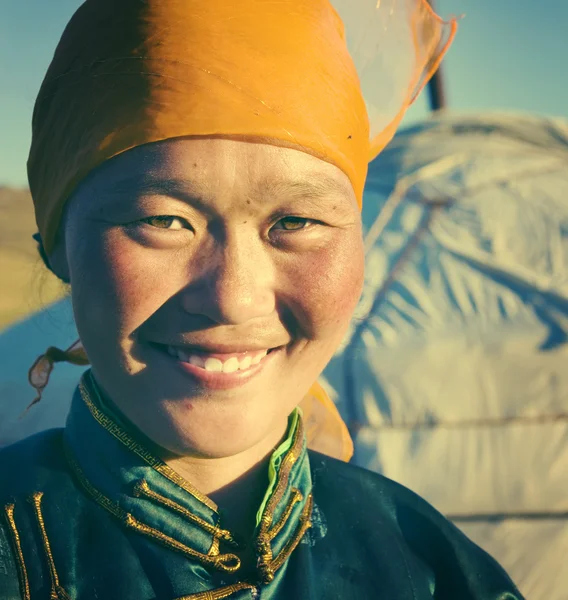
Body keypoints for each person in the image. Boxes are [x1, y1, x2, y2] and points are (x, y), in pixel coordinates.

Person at [0, 1, 524, 598]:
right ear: (58, 246)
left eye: (297, 221)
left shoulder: (436, 569)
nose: (233, 298)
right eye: (164, 220)